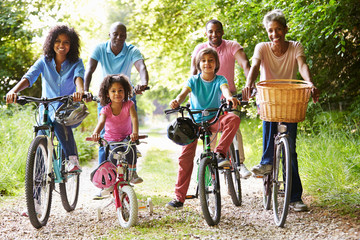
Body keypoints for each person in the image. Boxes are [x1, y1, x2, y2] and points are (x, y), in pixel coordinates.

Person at [242, 9, 320, 212]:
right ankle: (267, 162)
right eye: (270, 30)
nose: (274, 34)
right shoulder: (262, 47)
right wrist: (249, 84)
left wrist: (309, 82)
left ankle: (295, 197)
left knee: (290, 151)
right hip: (269, 98)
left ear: (286, 29)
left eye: (278, 29)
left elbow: (302, 65)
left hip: (289, 99)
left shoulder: (295, 47)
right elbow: (255, 67)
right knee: (268, 119)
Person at [165, 48, 241, 210]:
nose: (207, 63)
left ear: (216, 64)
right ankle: (179, 197)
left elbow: (225, 90)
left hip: (214, 119)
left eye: (211, 60)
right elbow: (183, 94)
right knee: (185, 159)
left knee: (233, 118)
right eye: (204, 60)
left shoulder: (220, 79)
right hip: (194, 124)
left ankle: (220, 153)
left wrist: (229, 98)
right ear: (199, 64)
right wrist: (177, 101)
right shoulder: (194, 80)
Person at [5, 25, 85, 173]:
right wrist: (13, 91)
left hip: (68, 109)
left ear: (71, 45)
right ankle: (35, 190)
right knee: (40, 140)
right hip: (46, 107)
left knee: (58, 120)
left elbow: (78, 78)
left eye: (66, 42)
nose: (61, 45)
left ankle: (72, 160)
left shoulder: (76, 62)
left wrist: (80, 92)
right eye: (58, 41)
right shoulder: (44, 61)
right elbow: (29, 77)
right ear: (51, 42)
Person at [191, 19, 252, 179]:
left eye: (218, 31)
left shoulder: (232, 46)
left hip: (227, 95)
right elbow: (193, 73)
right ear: (206, 33)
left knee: (233, 125)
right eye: (210, 31)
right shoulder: (200, 49)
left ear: (222, 32)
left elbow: (245, 64)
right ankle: (211, 170)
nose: (214, 34)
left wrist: (249, 85)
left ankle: (239, 162)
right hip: (206, 98)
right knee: (209, 134)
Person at [84, 22, 149, 164]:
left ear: (126, 36)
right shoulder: (100, 49)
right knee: (103, 138)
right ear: (109, 35)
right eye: (115, 34)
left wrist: (143, 83)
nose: (119, 37)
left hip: (126, 96)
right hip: (105, 97)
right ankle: (103, 175)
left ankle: (131, 172)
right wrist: (85, 91)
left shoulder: (132, 50)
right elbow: (89, 69)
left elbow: (141, 67)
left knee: (132, 136)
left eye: (122, 35)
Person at [91, 74, 143, 189]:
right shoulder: (106, 109)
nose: (117, 94)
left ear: (125, 92)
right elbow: (101, 122)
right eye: (113, 91)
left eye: (120, 91)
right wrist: (96, 132)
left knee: (131, 148)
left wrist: (135, 133)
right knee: (114, 155)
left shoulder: (129, 105)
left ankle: (132, 172)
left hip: (126, 136)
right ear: (107, 94)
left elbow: (134, 118)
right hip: (112, 139)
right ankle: (111, 180)